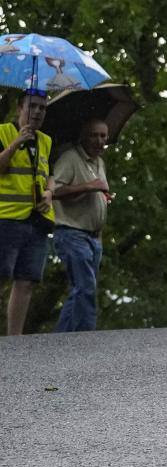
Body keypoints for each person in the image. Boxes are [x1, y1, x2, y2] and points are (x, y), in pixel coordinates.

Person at [0, 89, 55, 336]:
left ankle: (15, 339)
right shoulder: (3, 132)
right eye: (33, 106)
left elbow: (49, 174)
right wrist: (16, 143)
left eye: (43, 108)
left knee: (27, 280)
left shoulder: (46, 140)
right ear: (19, 109)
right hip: (7, 217)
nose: (38, 112)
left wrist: (50, 192)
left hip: (37, 220)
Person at [51, 118, 113, 332]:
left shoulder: (99, 162)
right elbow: (55, 191)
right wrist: (90, 186)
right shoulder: (70, 158)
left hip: (94, 237)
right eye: (94, 135)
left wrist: (102, 197)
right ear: (83, 136)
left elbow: (94, 191)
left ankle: (60, 342)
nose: (99, 140)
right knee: (85, 287)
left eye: (103, 135)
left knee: (82, 290)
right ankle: (86, 339)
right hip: (72, 232)